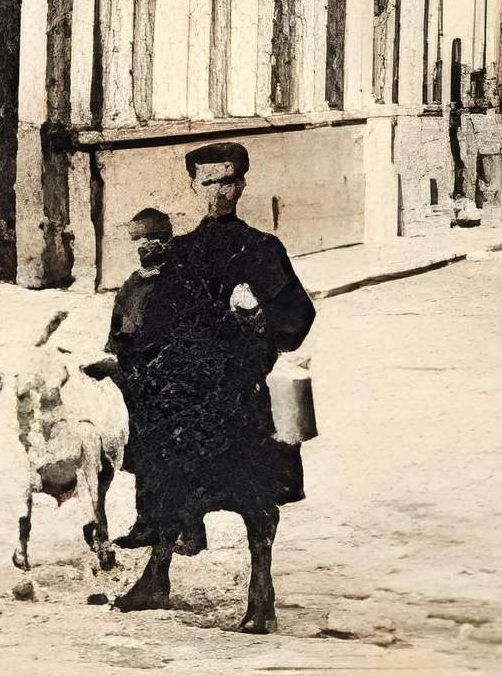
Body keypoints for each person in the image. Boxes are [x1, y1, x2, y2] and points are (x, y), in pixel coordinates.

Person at [117, 142, 315, 635]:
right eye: (208, 182)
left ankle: (261, 596)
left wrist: (257, 315)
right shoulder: (179, 250)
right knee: (168, 469)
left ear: (242, 184)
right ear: (193, 186)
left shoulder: (262, 250)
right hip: (187, 392)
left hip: (239, 388)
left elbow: (297, 319)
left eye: (228, 180)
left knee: (254, 492)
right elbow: (153, 316)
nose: (219, 192)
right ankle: (156, 575)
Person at [100, 207, 200, 555]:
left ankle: (190, 529)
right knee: (141, 454)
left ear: (166, 237)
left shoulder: (183, 280)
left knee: (176, 456)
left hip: (172, 383)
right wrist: (112, 360)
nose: (144, 245)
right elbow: (117, 330)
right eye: (138, 239)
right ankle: (146, 524)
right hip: (135, 382)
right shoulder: (131, 284)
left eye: (151, 238)